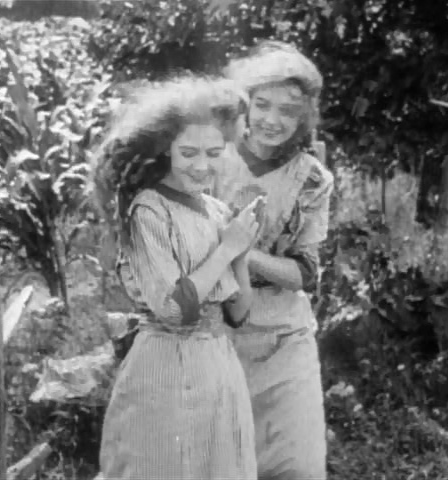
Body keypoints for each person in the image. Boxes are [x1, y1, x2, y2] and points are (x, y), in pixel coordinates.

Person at [94, 75, 260, 480]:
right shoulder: (149, 210)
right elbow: (173, 310)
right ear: (165, 148)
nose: (202, 166)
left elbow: (238, 313)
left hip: (218, 369)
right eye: (188, 152)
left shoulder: (217, 211)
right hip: (165, 370)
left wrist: (241, 250)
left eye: (214, 153)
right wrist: (226, 250)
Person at [212, 40, 334, 480]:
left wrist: (244, 251)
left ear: (304, 117)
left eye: (288, 111)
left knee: (299, 466)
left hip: (285, 339)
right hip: (213, 336)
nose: (271, 120)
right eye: (261, 105)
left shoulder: (312, 179)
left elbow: (305, 273)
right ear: (243, 104)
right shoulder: (210, 156)